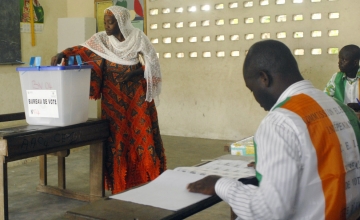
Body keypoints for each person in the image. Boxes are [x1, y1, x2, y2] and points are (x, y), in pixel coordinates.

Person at [188, 40, 360, 219]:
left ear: (264, 78)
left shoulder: (279, 122)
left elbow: (268, 211)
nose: (255, 97)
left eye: (251, 89)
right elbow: (329, 159)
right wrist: (275, 164)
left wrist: (219, 184)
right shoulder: (340, 107)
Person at [51, 6, 166, 194]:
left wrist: (133, 73)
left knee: (140, 131)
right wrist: (64, 53)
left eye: (110, 22)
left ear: (121, 22)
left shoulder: (137, 37)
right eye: (105, 21)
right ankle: (120, 180)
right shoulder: (102, 39)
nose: (107, 25)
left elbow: (152, 63)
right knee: (117, 136)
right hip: (112, 96)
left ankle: (147, 176)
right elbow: (83, 50)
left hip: (135, 94)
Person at [324, 45, 360, 111]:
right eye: (339, 59)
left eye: (344, 60)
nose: (339, 63)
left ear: (355, 62)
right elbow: (325, 98)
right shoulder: (336, 78)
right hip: (344, 119)